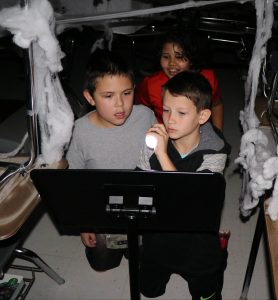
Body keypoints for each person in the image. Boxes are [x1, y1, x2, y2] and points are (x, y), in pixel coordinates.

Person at [137, 71, 231, 300]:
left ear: (203, 116)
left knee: (207, 294)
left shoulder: (216, 151)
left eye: (181, 112)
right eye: (166, 110)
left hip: (197, 242)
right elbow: (140, 190)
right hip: (158, 237)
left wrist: (161, 155)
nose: (169, 120)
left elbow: (190, 203)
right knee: (148, 291)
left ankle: (220, 253)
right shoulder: (152, 142)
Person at [66, 49, 156, 271]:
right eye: (108, 96)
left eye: (127, 93)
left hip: (142, 206)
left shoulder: (145, 115)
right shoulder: (79, 131)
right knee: (102, 263)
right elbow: (75, 182)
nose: (120, 105)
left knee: (149, 263)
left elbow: (159, 160)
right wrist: (84, 223)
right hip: (104, 211)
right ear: (89, 97)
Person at [135, 28, 224, 130]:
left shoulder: (207, 79)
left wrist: (219, 134)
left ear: (191, 60)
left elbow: (217, 105)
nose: (172, 63)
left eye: (179, 57)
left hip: (198, 133)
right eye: (166, 57)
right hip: (167, 135)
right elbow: (139, 112)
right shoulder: (150, 85)